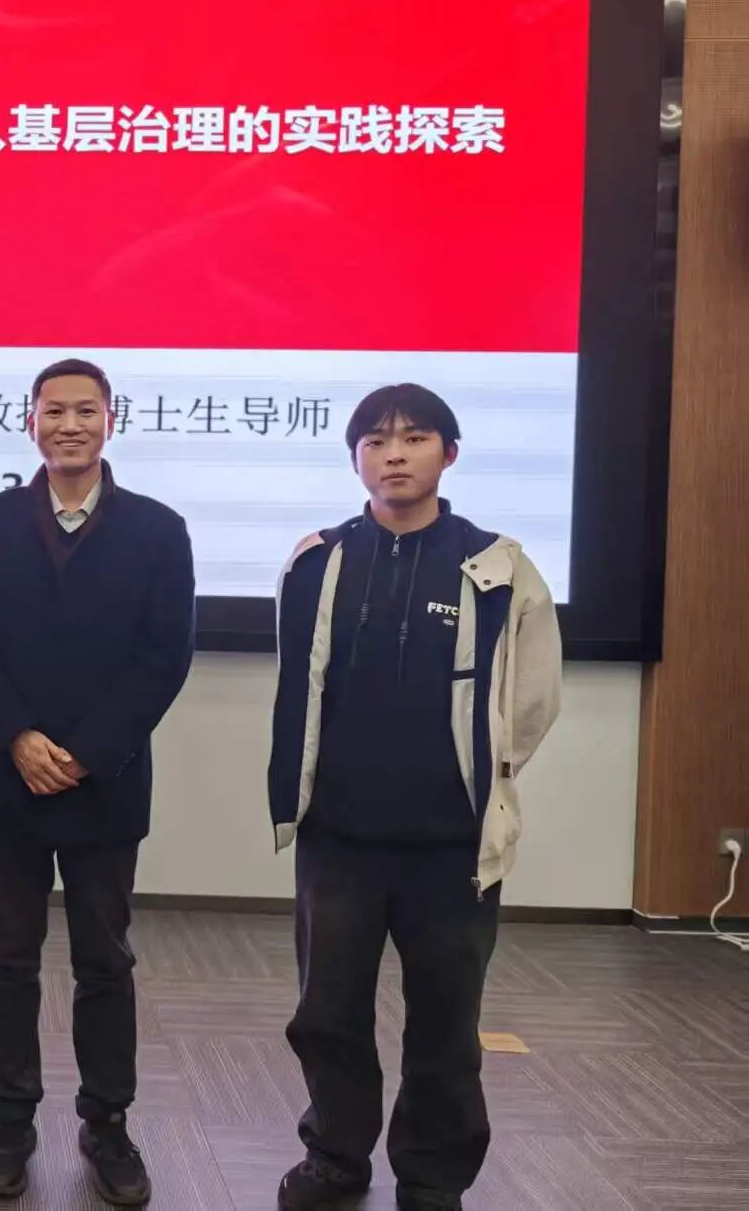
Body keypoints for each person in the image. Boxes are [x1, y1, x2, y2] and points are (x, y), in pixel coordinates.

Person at [268, 384, 562, 1211]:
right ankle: (336, 1155)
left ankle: (433, 1177)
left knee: (445, 1021)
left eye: (414, 437)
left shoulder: (497, 567)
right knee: (327, 1013)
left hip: (451, 847)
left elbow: (532, 701)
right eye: (374, 440)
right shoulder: (317, 561)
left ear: (449, 452)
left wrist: (481, 774)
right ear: (356, 458)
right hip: (339, 840)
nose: (393, 454)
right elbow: (300, 686)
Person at [0, 358, 195, 1207]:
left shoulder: (158, 529)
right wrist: (18, 736)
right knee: (9, 959)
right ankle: (10, 1120)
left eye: (86, 411)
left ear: (110, 421)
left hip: (105, 784)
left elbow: (163, 656)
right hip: (7, 777)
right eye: (54, 411)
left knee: (105, 961)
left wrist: (85, 752)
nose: (70, 425)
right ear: (31, 422)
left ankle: (107, 1122)